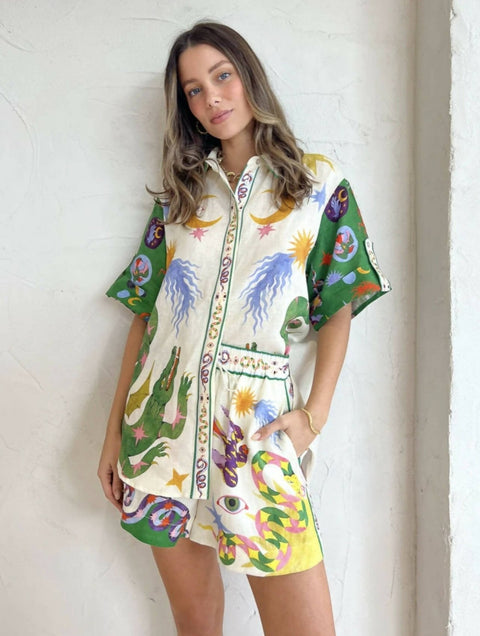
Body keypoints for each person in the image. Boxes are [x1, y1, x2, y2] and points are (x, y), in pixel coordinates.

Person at [98, 20, 391, 636]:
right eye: (194, 90)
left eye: (222, 76)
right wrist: (111, 436)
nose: (212, 98)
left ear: (248, 76)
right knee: (196, 625)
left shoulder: (317, 187)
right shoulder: (179, 200)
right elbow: (146, 316)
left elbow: (339, 303)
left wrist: (314, 415)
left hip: (254, 436)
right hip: (160, 434)